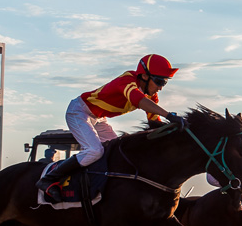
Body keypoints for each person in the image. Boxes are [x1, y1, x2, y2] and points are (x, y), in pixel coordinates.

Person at [37, 54, 186, 200]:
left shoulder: (150, 96)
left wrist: (174, 132)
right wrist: (169, 115)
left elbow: (154, 122)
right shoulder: (127, 80)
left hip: (98, 118)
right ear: (144, 76)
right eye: (159, 81)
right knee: (94, 151)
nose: (160, 88)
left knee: (117, 151)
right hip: (79, 111)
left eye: (164, 83)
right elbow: (138, 100)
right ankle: (48, 179)